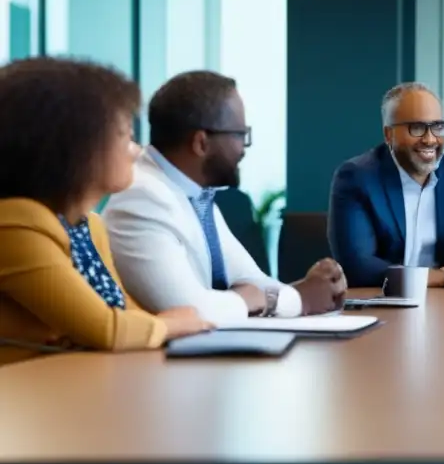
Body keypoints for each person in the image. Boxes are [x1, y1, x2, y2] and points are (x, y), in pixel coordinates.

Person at [0, 56, 237, 464]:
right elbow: (111, 329)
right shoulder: (16, 223)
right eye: (123, 134)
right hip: (22, 445)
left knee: (178, 450)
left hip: (75, 422)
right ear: (68, 146)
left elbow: (128, 327)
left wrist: (155, 326)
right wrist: (168, 322)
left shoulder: (91, 227)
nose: (135, 148)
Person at [103, 70, 346, 324]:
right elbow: (193, 312)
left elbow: (254, 282)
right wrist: (299, 299)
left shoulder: (197, 196)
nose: (244, 148)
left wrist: (311, 290)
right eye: (240, 135)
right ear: (201, 143)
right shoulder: (141, 199)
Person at [328, 82, 444, 288]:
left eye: (438, 127)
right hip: (383, 304)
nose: (430, 139)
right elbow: (358, 267)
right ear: (388, 135)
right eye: (417, 128)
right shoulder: (357, 177)